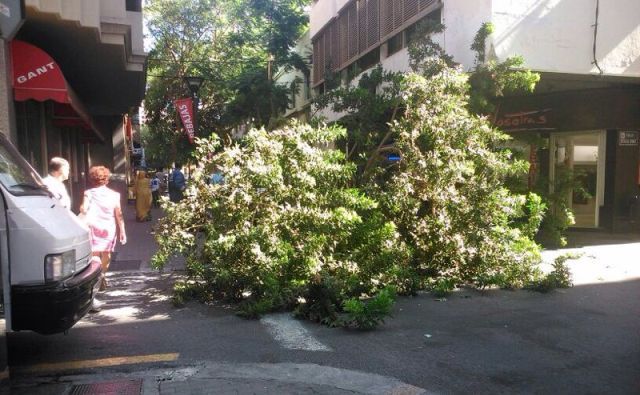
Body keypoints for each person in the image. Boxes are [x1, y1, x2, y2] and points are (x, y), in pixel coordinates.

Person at [79, 166, 127, 312]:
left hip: (93, 227)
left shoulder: (88, 193)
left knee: (94, 256)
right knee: (107, 254)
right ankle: (102, 275)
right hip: (108, 228)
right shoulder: (114, 194)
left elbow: (83, 209)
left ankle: (95, 278)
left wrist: (83, 209)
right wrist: (122, 230)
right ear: (106, 179)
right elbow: (118, 214)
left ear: (92, 179)